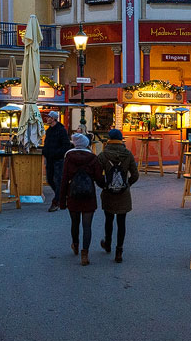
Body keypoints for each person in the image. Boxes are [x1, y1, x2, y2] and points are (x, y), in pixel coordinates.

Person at [59, 133, 104, 265]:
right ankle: (85, 254)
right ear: (86, 144)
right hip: (88, 195)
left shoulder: (69, 157)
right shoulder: (93, 158)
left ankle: (75, 244)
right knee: (87, 225)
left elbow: (64, 179)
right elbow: (99, 178)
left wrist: (62, 201)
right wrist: (107, 185)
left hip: (73, 194)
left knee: (74, 222)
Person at [97, 129, 139, 263]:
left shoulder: (103, 155)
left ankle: (108, 243)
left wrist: (104, 185)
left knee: (108, 219)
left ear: (109, 139)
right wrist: (127, 184)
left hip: (108, 192)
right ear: (121, 139)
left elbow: (97, 175)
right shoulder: (128, 154)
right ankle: (119, 251)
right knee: (122, 222)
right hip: (123, 194)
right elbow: (135, 175)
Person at [43, 110, 72, 212]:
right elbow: (47, 143)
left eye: (49, 117)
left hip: (58, 160)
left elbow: (66, 145)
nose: (47, 119)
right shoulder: (49, 130)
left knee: (58, 180)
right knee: (50, 179)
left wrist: (57, 153)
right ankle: (64, 196)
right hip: (50, 159)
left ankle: (56, 201)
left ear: (54, 119)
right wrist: (45, 151)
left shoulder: (61, 130)